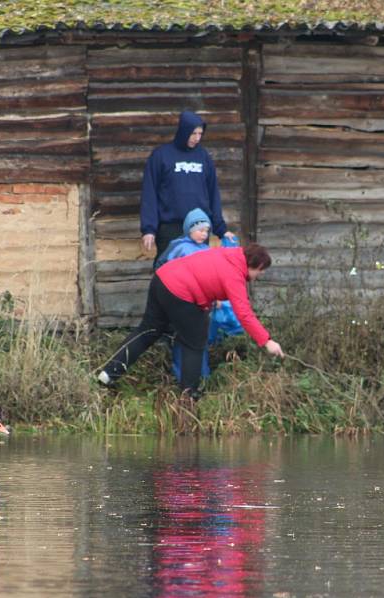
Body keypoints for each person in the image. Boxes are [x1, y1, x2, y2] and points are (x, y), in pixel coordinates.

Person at [97, 244, 284, 397]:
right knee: (195, 342)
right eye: (261, 272)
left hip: (162, 278)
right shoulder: (234, 274)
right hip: (180, 291)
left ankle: (108, 374)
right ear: (256, 266)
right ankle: (189, 395)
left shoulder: (228, 253)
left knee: (148, 331)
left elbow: (208, 273)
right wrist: (266, 341)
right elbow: (244, 313)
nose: (260, 276)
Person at [140, 110, 236, 264]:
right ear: (183, 131)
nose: (197, 138)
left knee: (197, 273)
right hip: (170, 227)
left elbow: (212, 194)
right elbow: (149, 193)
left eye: (200, 134)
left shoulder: (203, 157)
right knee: (168, 274)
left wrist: (221, 229)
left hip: (199, 228)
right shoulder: (161, 155)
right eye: (193, 133)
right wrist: (149, 228)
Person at [156, 207, 213, 380]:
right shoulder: (179, 249)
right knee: (184, 339)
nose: (204, 234)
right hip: (183, 302)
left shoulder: (205, 250)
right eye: (200, 230)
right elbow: (170, 274)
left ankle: (202, 375)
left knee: (200, 339)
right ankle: (181, 375)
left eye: (207, 230)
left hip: (201, 303)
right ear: (190, 228)